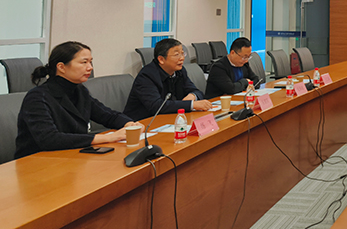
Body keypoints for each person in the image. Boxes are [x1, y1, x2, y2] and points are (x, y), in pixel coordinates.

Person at [15, 41, 144, 159]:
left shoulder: (79, 90)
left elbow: (107, 115)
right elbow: (49, 139)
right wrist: (108, 137)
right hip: (38, 161)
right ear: (61, 67)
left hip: (72, 155)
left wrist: (130, 124)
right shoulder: (38, 97)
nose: (90, 67)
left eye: (90, 62)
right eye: (84, 62)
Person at [123, 38, 212, 121]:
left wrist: (192, 96)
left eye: (182, 53)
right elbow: (157, 106)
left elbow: (197, 91)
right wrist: (191, 105)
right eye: (176, 55)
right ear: (161, 59)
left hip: (169, 118)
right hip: (141, 123)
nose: (182, 58)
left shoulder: (179, 71)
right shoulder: (146, 75)